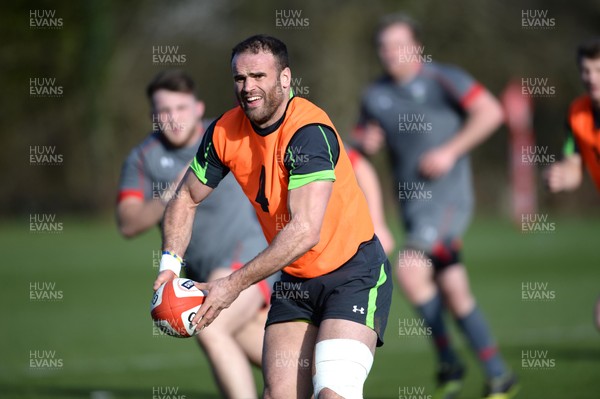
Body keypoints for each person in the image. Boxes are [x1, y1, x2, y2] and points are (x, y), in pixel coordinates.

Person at [153, 35, 393, 399]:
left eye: (258, 76)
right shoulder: (223, 132)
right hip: (296, 283)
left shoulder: (308, 132)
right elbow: (185, 197)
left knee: (332, 393)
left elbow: (305, 231)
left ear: (284, 79)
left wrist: (232, 284)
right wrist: (169, 265)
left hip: (353, 274)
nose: (247, 87)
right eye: (239, 78)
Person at [353, 14, 517, 399]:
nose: (391, 52)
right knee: (454, 291)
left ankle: (449, 361)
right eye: (384, 45)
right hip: (412, 208)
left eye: (399, 44)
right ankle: (499, 374)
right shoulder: (374, 95)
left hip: (447, 200)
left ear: (418, 47)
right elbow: (356, 148)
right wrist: (366, 143)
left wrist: (449, 151)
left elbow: (492, 112)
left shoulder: (444, 79)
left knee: (409, 270)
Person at [116, 69, 272, 399]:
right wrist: (172, 195)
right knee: (266, 349)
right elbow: (127, 223)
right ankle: (329, 377)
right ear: (153, 116)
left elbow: (316, 147)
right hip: (197, 275)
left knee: (210, 327)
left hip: (248, 254)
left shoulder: (228, 134)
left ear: (199, 108)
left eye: (181, 108)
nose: (173, 118)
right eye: (164, 111)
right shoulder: (143, 158)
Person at [544, 37, 600, 330]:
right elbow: (574, 166)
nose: (591, 78)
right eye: (586, 70)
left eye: (599, 70)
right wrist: (562, 176)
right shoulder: (577, 113)